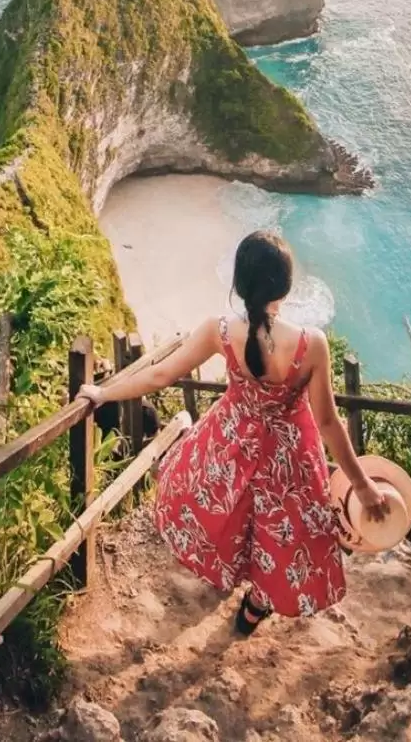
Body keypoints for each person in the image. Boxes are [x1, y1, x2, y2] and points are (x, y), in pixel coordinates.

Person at [78, 229, 388, 634]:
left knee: (232, 514)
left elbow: (160, 374)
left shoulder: (220, 331)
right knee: (281, 531)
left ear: (238, 283)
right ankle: (257, 604)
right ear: (287, 285)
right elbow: (328, 422)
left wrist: (103, 392)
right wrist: (362, 485)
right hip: (289, 457)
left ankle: (232, 577)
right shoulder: (312, 344)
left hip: (230, 441)